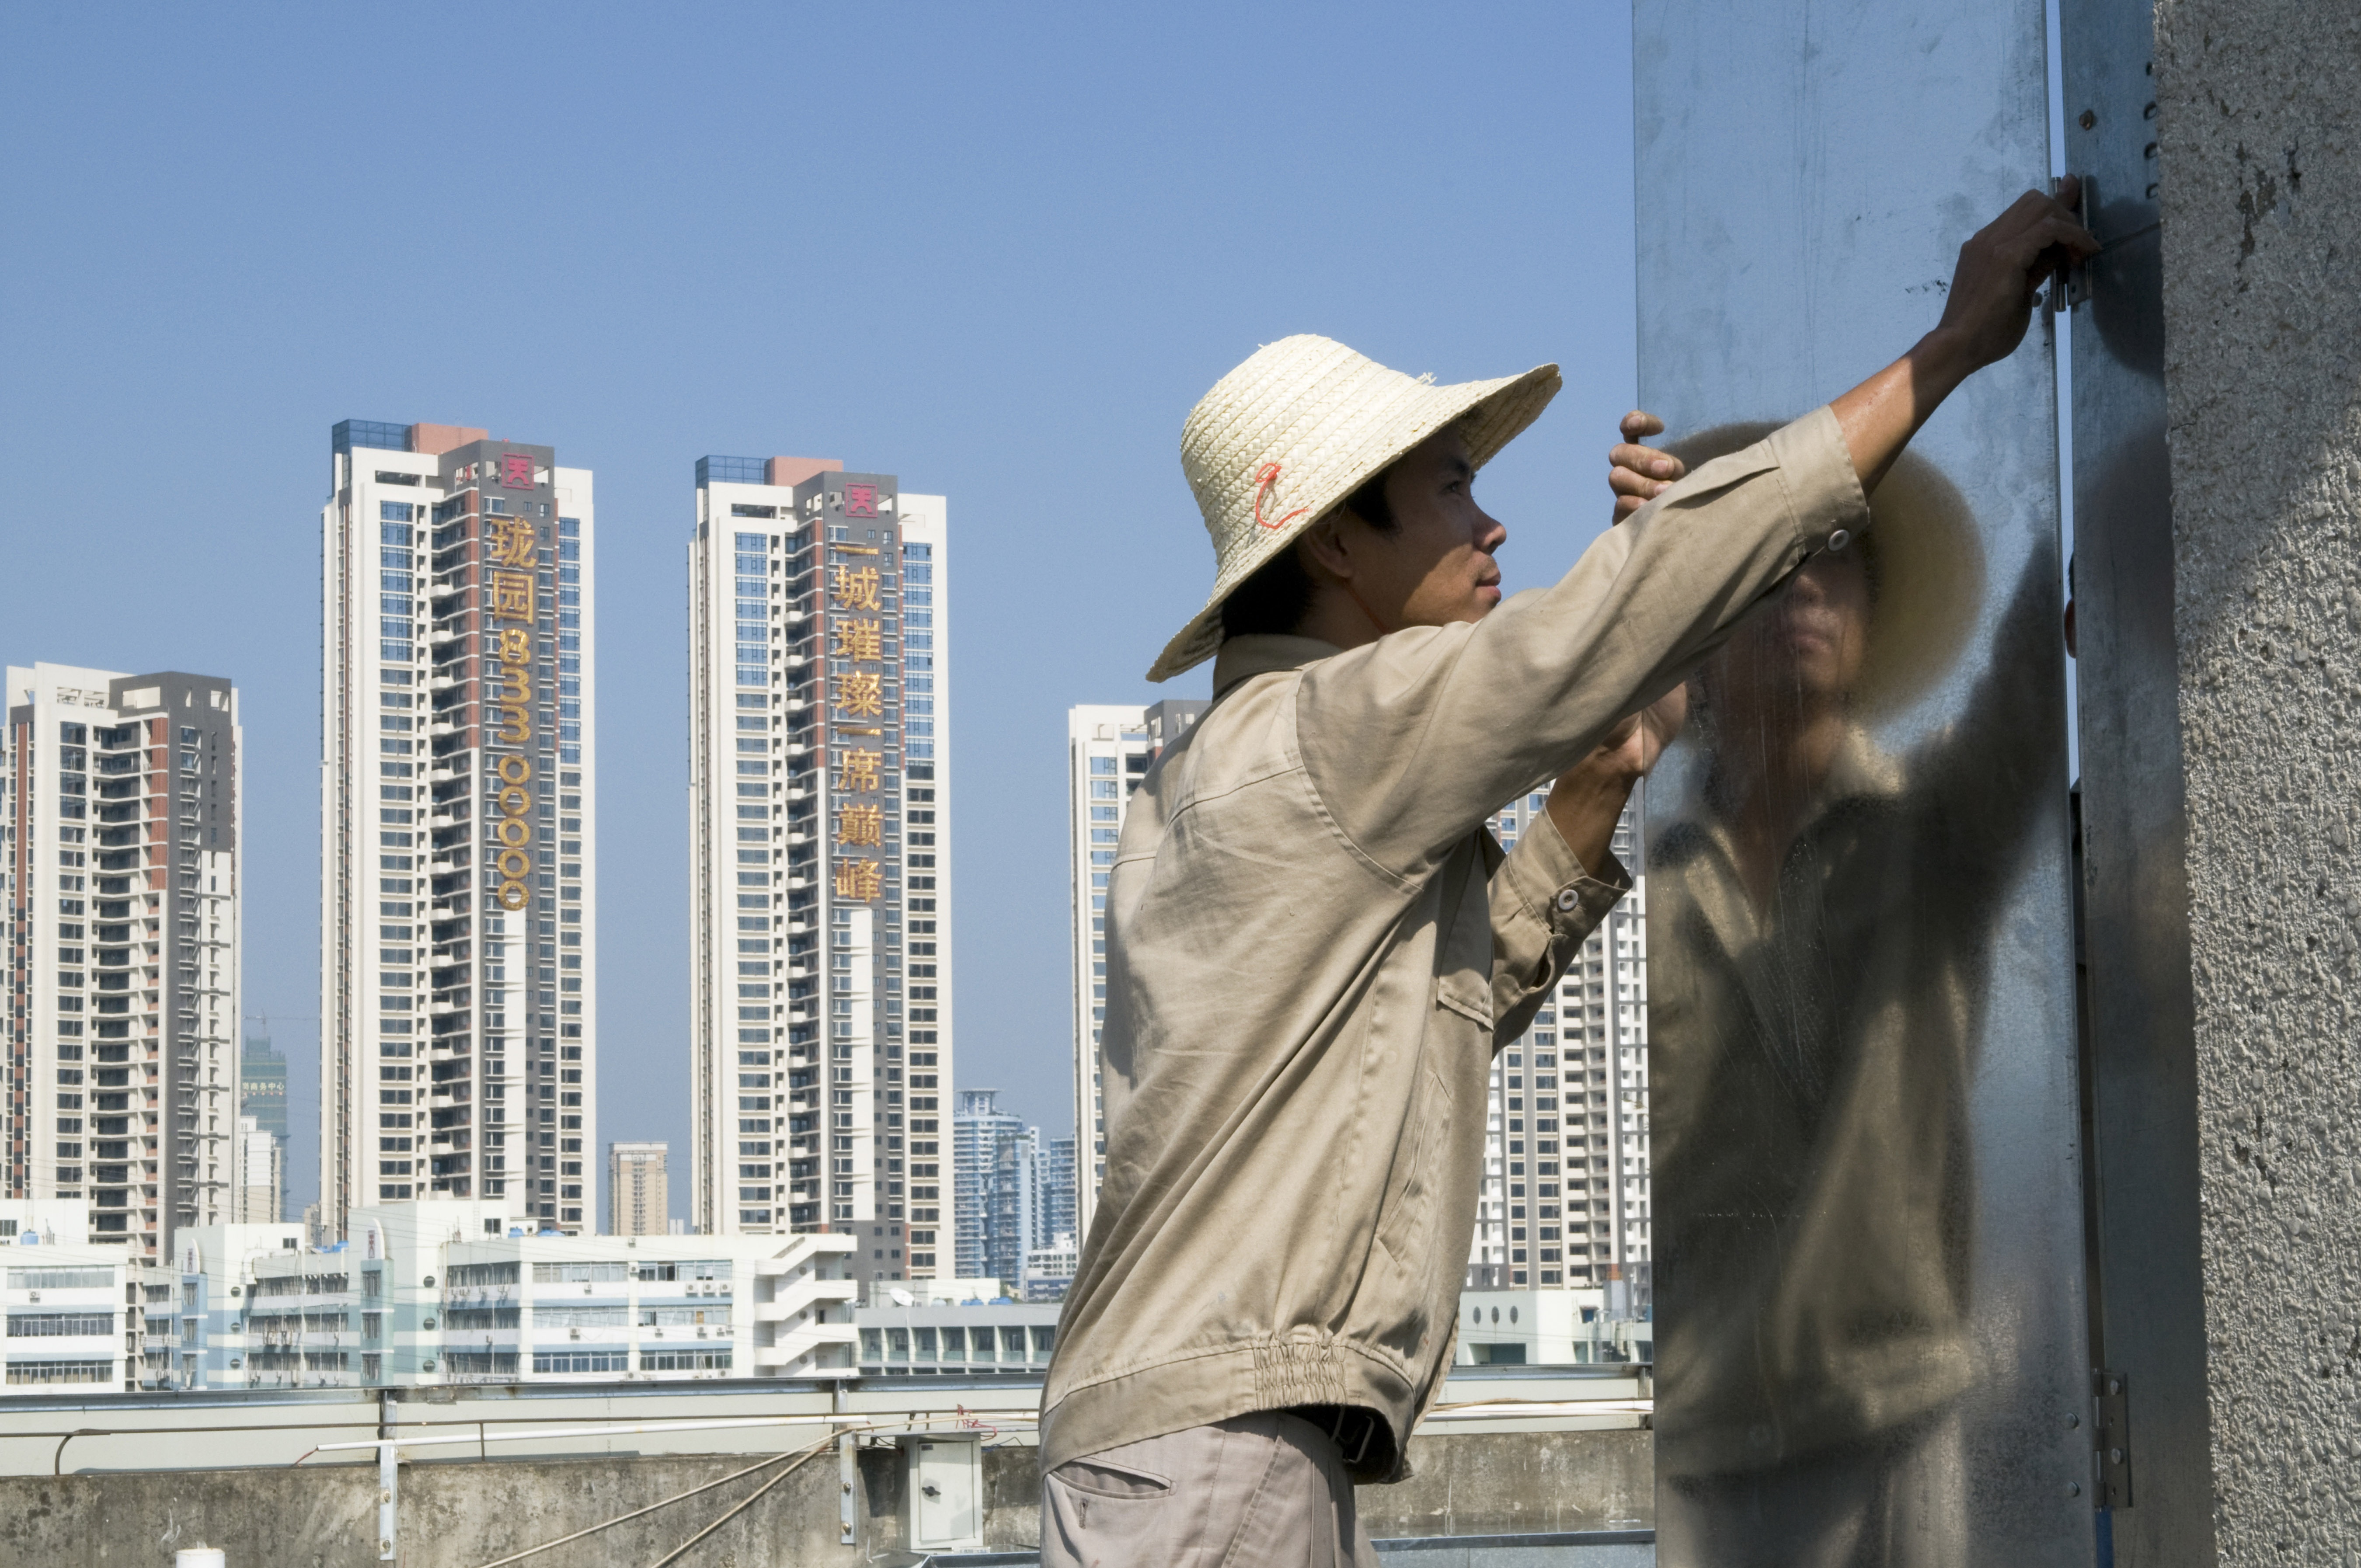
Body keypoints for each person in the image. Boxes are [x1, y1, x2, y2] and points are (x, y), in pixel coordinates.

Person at [1038, 185, 2096, 1568]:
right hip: (1221, 1456)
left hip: (1190, 1444)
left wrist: (1600, 779)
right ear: (1338, 547)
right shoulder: (1336, 736)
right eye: (1452, 490)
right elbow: (1607, 622)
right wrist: (1948, 348)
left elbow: (1439, 1007)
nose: (1491, 526)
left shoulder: (1229, 770)